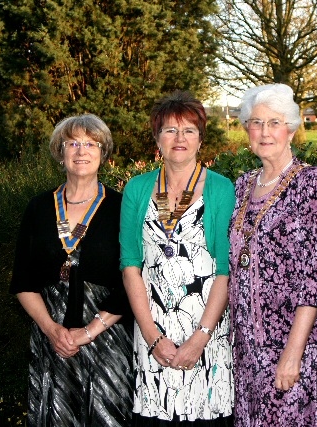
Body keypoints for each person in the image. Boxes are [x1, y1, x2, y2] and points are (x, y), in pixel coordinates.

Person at [10, 114, 134, 426]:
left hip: (106, 337)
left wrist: (89, 331)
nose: (81, 151)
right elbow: (23, 280)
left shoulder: (122, 208)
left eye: (91, 144)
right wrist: (53, 331)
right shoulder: (38, 208)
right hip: (53, 339)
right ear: (60, 152)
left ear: (103, 154)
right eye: (73, 143)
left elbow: (132, 280)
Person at [120, 90, 235, 426]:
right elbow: (130, 265)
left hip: (207, 331)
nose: (179, 138)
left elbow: (225, 270)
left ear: (201, 139)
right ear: (157, 138)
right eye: (170, 130)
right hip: (153, 332)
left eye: (189, 130)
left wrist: (200, 337)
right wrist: (151, 335)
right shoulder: (137, 189)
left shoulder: (221, 188)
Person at [228, 83, 317, 426]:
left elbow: (315, 275)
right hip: (244, 344)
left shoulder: (310, 183)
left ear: (290, 128)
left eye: (274, 122)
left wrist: (293, 353)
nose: (264, 132)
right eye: (256, 123)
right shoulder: (242, 185)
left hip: (287, 343)